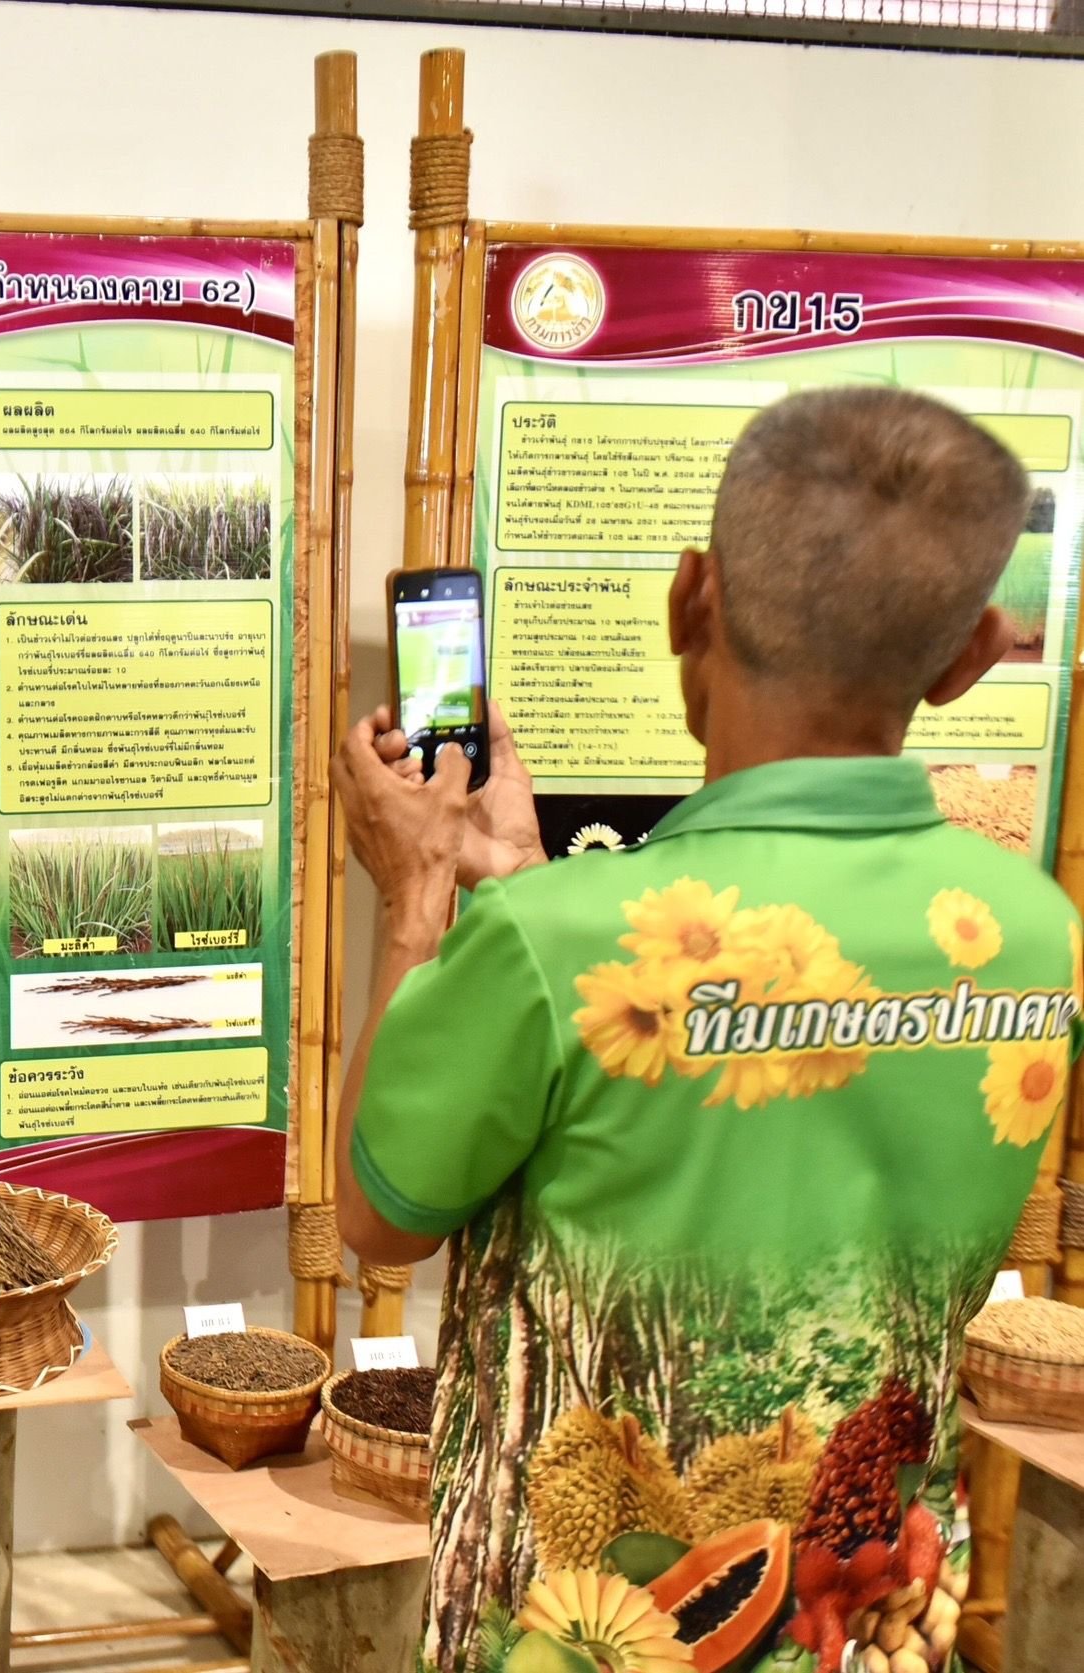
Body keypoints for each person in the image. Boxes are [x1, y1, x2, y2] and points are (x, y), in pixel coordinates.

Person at [332, 387, 1078, 1673]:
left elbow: (378, 1215)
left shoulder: (550, 942)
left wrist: (415, 907)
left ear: (690, 597)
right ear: (964, 662)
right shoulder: (1029, 926)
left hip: (571, 1637)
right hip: (869, 1624)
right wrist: (517, 875)